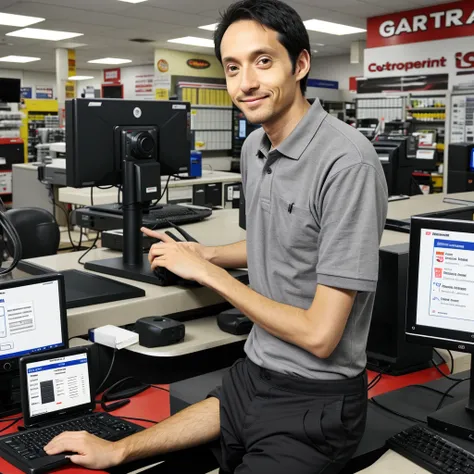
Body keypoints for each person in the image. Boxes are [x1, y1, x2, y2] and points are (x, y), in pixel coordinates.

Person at [45, 0, 388, 472]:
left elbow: (321, 335)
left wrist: (209, 274)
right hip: (251, 375)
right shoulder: (255, 146)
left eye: (263, 61)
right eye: (232, 67)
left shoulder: (348, 163)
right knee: (131, 461)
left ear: (301, 64)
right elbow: (277, 239)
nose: (245, 82)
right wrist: (205, 252)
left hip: (316, 399)